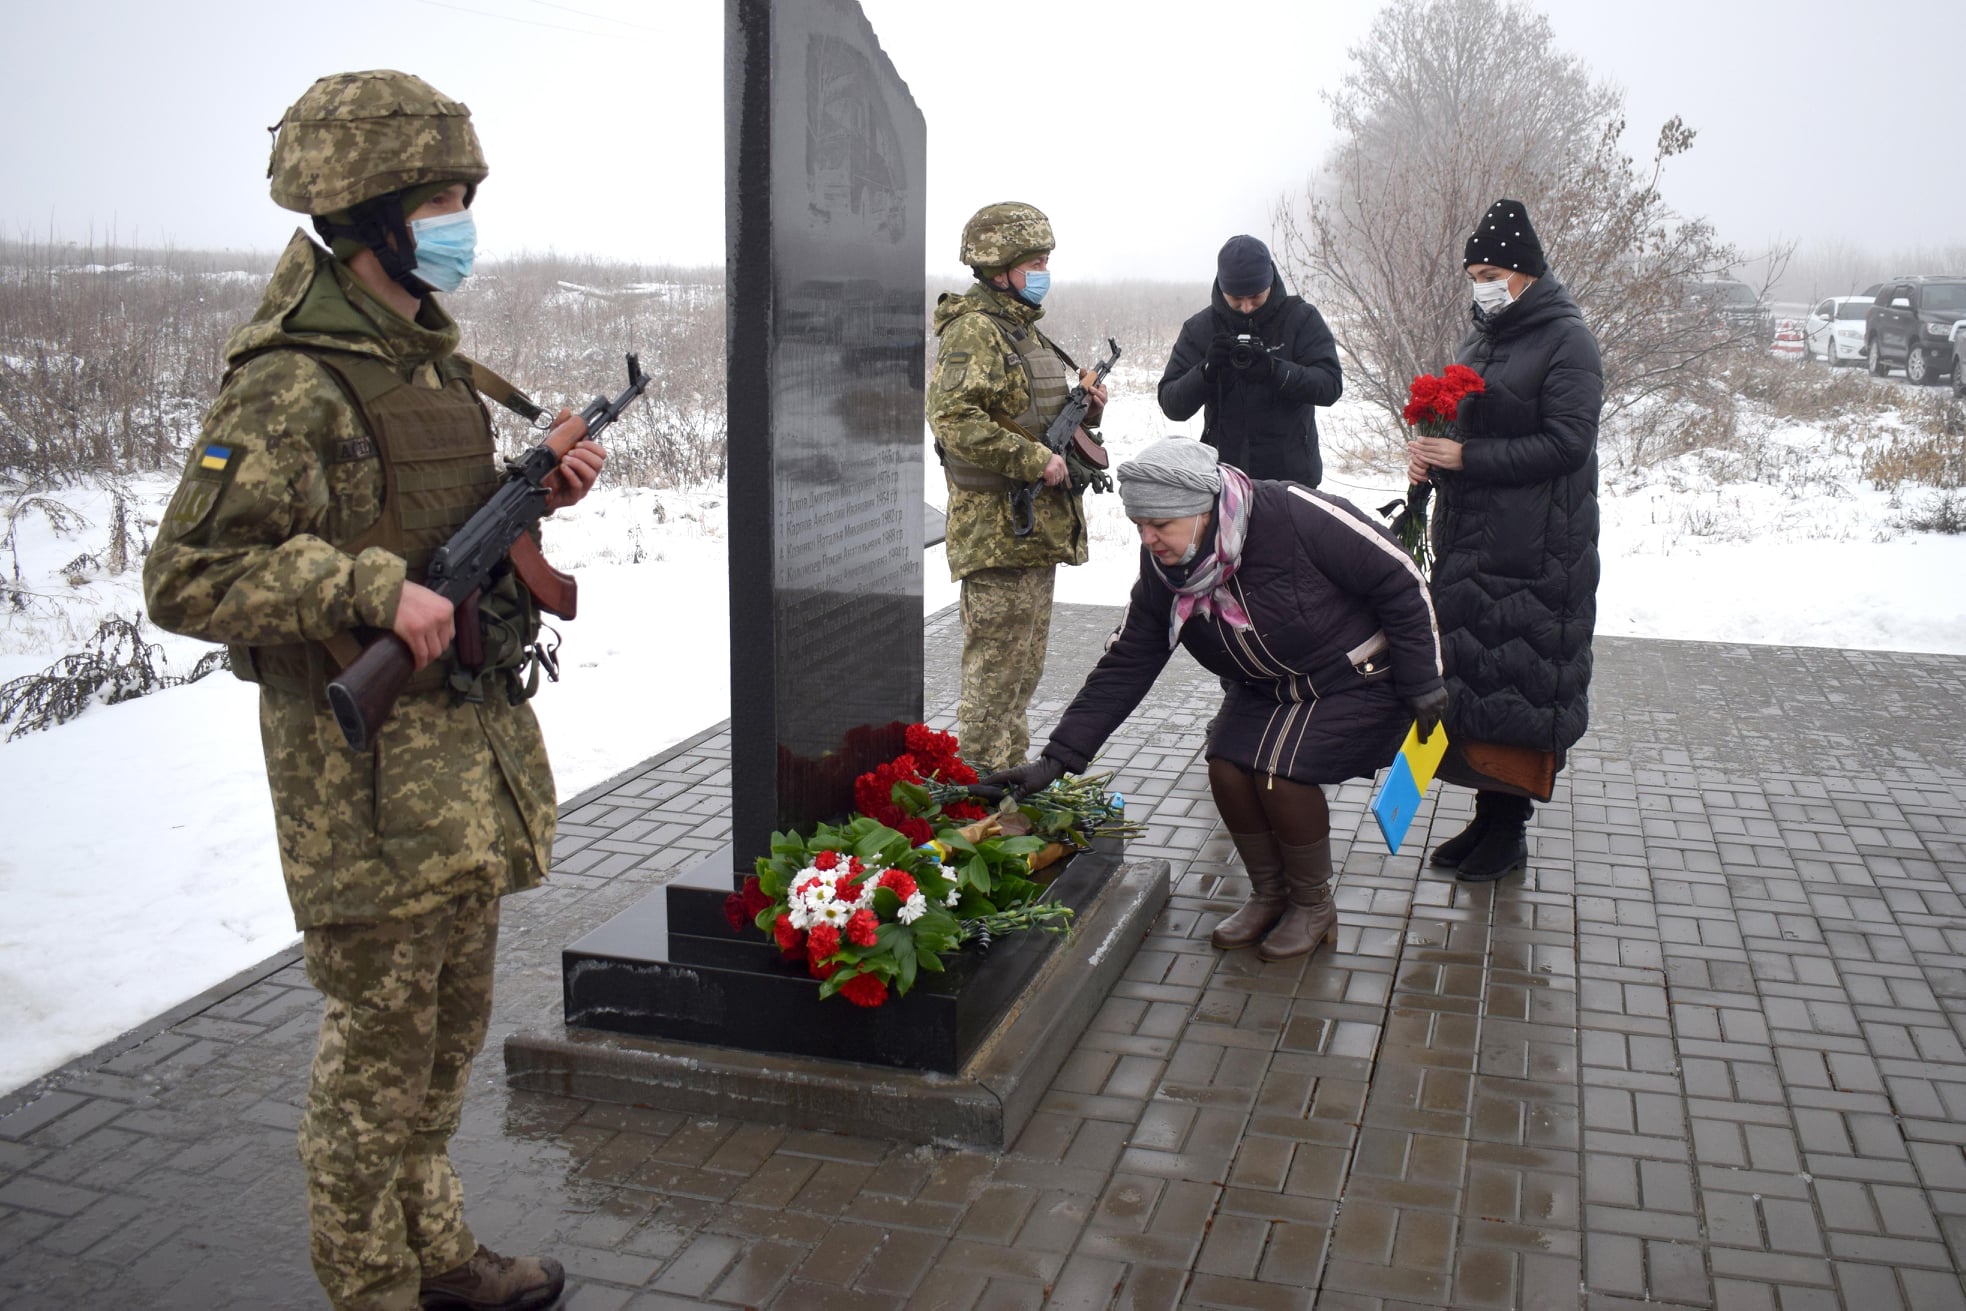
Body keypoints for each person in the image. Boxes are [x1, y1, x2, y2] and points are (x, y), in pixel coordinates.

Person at [142, 70, 604, 1311]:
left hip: (461, 775)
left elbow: (439, 519)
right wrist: (362, 589)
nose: (463, 220)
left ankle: (439, 1252)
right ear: (374, 217)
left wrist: (539, 497)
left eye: (464, 196)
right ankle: (370, 1289)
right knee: (373, 1069)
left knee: (446, 1047)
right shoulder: (288, 382)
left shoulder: (427, 363)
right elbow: (185, 576)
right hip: (365, 784)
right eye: (444, 198)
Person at [982, 439, 1446, 960]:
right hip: (1269, 686)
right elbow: (1130, 659)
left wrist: (1423, 679)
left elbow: (1402, 579)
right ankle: (1271, 895)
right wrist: (1056, 759)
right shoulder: (1167, 567)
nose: (1148, 538)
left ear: (1203, 509)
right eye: (1139, 524)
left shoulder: (1292, 513)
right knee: (1227, 767)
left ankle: (1313, 907)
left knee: (1278, 772)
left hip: (1357, 674)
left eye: (1161, 524)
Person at [1406, 198, 1601, 883]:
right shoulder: (1483, 336)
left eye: (1488, 272)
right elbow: (1468, 423)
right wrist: (1432, 449)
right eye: (1472, 274)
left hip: (1537, 551)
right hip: (1474, 540)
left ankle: (1508, 832)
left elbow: (1568, 443)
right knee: (1480, 685)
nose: (1479, 286)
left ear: (1523, 273)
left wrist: (1469, 459)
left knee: (1519, 684)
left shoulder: (1567, 341)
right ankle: (1487, 821)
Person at [928, 201, 1109, 773]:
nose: (1043, 269)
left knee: (1022, 672)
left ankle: (1010, 784)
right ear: (998, 265)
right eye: (1034, 260)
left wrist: (1088, 412)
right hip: (996, 531)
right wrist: (1032, 460)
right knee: (993, 677)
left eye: (1046, 259)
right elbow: (952, 418)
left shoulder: (1021, 332)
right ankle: (972, 795)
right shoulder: (975, 332)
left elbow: (1030, 413)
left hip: (1031, 532)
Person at [1158, 235, 1343, 484]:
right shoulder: (1200, 329)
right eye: (1236, 300)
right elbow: (1172, 404)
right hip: (1224, 480)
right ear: (1221, 288)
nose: (1246, 307)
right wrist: (1206, 371)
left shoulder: (1301, 318)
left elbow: (1329, 385)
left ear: (1271, 282)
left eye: (1256, 297)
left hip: (1292, 478)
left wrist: (1275, 371)